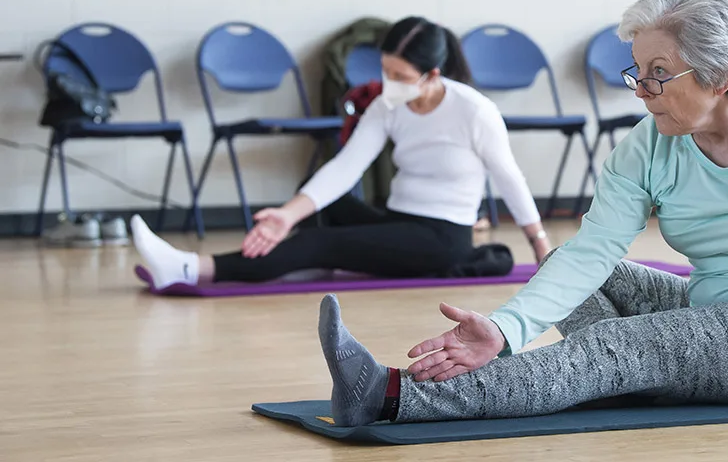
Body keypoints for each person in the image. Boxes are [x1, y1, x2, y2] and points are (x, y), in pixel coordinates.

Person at [313, 0, 728, 427]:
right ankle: (630, 377)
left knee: (620, 349)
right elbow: (592, 252)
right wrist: (504, 329)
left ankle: (390, 395)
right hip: (712, 307)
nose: (641, 90)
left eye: (658, 73)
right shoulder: (650, 144)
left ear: (721, 75)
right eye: (637, 71)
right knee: (566, 268)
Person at [131, 16, 551, 289]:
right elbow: (345, 167)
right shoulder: (388, 104)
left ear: (432, 75)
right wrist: (286, 215)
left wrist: (540, 245)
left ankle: (191, 268)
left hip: (442, 239)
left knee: (319, 241)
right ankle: (302, 256)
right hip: (398, 221)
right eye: (385, 71)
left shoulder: (474, 111)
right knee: (309, 200)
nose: (389, 83)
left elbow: (509, 178)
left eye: (400, 76)